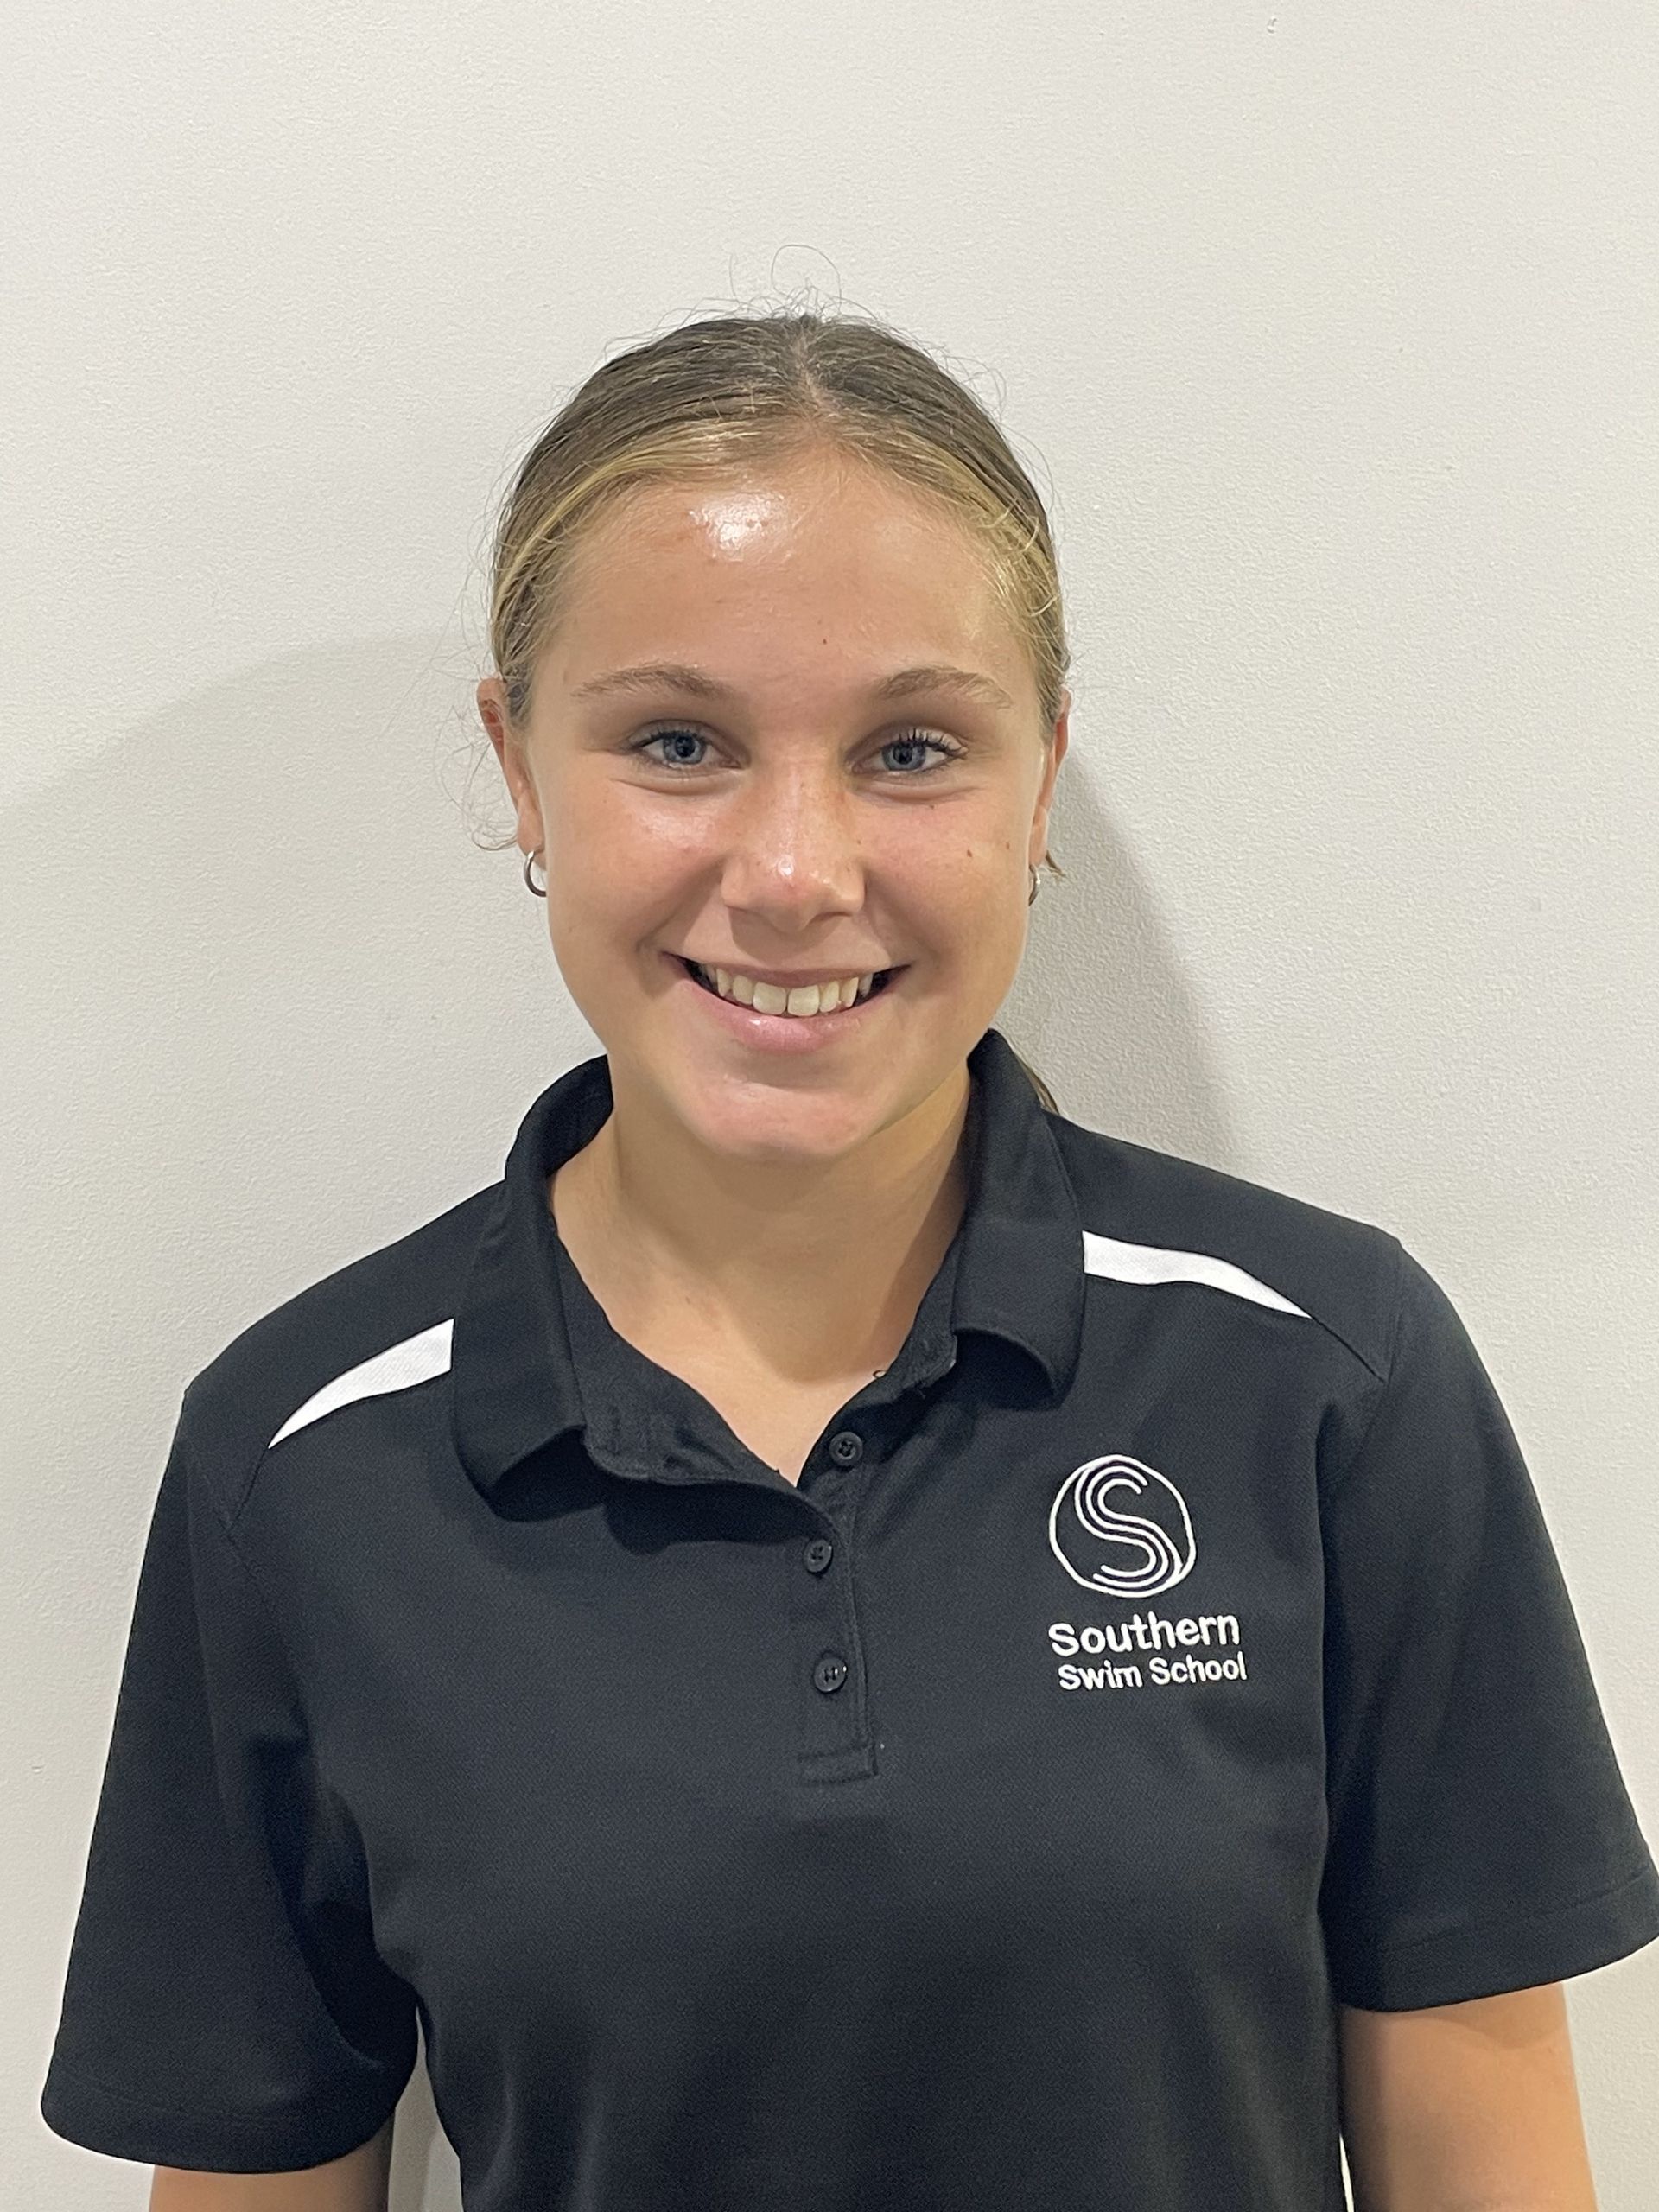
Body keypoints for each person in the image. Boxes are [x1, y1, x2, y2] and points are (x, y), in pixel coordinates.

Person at [41, 309, 1659, 2212]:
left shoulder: (1324, 1369)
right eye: (677, 741)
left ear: (1039, 774)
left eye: (909, 746)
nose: (796, 868)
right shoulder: (300, 1463)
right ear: (520, 762)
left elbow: (1491, 2168)